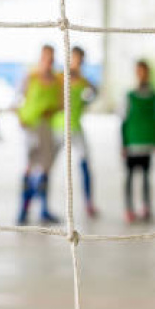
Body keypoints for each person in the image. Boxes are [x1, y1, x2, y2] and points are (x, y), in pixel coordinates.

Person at [16, 45, 63, 225]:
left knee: (45, 168)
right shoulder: (30, 77)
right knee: (29, 167)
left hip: (46, 128)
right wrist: (20, 117)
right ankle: (23, 209)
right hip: (31, 127)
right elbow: (17, 98)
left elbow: (62, 103)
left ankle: (43, 209)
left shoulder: (58, 80)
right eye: (45, 58)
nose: (48, 62)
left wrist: (51, 111)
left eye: (51, 59)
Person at [52, 46, 99, 218]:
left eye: (80, 60)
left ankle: (89, 202)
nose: (77, 63)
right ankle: (39, 204)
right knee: (47, 165)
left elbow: (94, 92)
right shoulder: (59, 77)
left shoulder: (84, 81)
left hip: (76, 127)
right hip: (58, 127)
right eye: (75, 59)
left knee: (85, 162)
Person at [120, 60, 155, 224]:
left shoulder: (153, 95)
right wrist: (123, 143)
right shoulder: (129, 95)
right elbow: (123, 119)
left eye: (144, 71)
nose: (142, 74)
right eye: (139, 71)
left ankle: (146, 206)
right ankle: (129, 208)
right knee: (129, 176)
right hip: (132, 143)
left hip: (147, 143)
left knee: (145, 176)